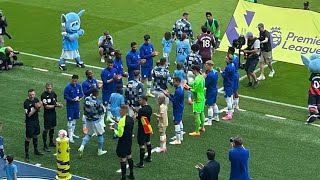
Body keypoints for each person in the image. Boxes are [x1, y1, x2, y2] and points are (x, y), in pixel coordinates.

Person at [78, 88, 107, 156]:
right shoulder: (98, 102)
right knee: (100, 135)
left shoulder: (87, 99)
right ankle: (99, 151)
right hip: (96, 121)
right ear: (97, 93)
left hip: (88, 120)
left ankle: (81, 147)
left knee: (88, 134)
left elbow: (84, 107)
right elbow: (101, 111)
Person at [111, 105, 135, 180]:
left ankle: (123, 177)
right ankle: (131, 174)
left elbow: (120, 134)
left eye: (120, 110)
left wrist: (113, 129)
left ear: (124, 111)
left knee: (123, 159)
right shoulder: (131, 119)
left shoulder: (122, 120)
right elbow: (126, 128)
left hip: (123, 142)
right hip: (129, 140)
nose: (119, 112)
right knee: (129, 156)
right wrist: (118, 123)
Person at [41, 83, 63, 152]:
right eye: (47, 88)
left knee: (52, 127)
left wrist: (59, 104)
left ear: (52, 88)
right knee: (46, 129)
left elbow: (55, 102)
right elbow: (46, 106)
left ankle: (51, 141)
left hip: (53, 113)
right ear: (45, 88)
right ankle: (44, 145)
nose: (49, 90)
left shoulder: (53, 94)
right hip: (47, 114)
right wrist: (55, 106)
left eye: (50, 88)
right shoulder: (43, 95)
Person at [24, 89, 44, 162]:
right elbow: (29, 114)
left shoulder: (36, 99)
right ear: (28, 95)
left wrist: (39, 106)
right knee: (28, 138)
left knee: (36, 135)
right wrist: (36, 108)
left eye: (33, 94)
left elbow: (39, 110)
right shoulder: (26, 103)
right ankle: (27, 154)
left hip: (36, 121)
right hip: (30, 122)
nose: (32, 96)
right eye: (30, 95)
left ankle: (36, 150)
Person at [163, 77, 184, 145]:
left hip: (177, 108)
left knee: (176, 123)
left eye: (174, 82)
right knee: (180, 121)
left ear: (178, 82)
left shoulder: (178, 91)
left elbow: (174, 101)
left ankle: (178, 140)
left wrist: (168, 96)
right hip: (180, 107)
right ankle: (181, 136)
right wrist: (169, 94)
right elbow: (175, 97)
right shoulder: (180, 89)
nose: (173, 83)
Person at [133, 95, 153, 168]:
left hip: (142, 129)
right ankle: (149, 157)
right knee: (148, 142)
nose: (139, 101)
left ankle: (141, 163)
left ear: (144, 100)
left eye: (140, 100)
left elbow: (135, 119)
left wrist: (135, 112)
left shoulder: (141, 110)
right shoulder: (149, 108)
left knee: (141, 145)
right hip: (147, 127)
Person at [64, 75, 83, 143]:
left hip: (76, 106)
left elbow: (81, 94)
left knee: (75, 120)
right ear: (71, 79)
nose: (74, 82)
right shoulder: (68, 87)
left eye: (75, 81)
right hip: (70, 106)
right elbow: (65, 96)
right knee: (70, 121)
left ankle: (72, 133)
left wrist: (79, 98)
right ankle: (70, 136)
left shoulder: (79, 86)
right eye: (73, 81)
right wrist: (72, 99)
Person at [187, 65, 205, 136]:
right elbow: (195, 85)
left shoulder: (197, 79)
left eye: (192, 70)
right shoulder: (201, 77)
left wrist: (188, 89)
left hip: (197, 99)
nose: (192, 72)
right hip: (202, 97)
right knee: (202, 112)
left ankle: (197, 131)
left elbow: (195, 91)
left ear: (195, 70)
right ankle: (202, 127)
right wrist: (188, 84)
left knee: (196, 114)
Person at [218, 55, 235, 120]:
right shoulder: (232, 65)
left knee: (228, 99)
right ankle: (231, 111)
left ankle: (229, 114)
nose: (225, 59)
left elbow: (224, 76)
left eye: (226, 58)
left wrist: (220, 71)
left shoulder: (228, 67)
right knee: (230, 97)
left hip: (228, 84)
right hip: (231, 83)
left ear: (229, 60)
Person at [82, 70, 99, 134]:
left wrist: (98, 87)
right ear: (86, 75)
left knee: (93, 113)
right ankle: (84, 128)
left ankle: (92, 128)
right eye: (89, 74)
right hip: (88, 100)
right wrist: (91, 89)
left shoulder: (94, 80)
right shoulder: (84, 83)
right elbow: (85, 92)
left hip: (94, 99)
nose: (91, 75)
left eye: (92, 73)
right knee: (86, 113)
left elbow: (97, 88)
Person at [203, 60, 219, 125]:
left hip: (210, 91)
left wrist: (204, 78)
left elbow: (206, 84)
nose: (205, 66)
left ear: (209, 65)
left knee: (209, 105)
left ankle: (209, 121)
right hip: (215, 89)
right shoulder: (215, 72)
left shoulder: (210, 75)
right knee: (214, 103)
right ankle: (216, 116)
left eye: (206, 65)